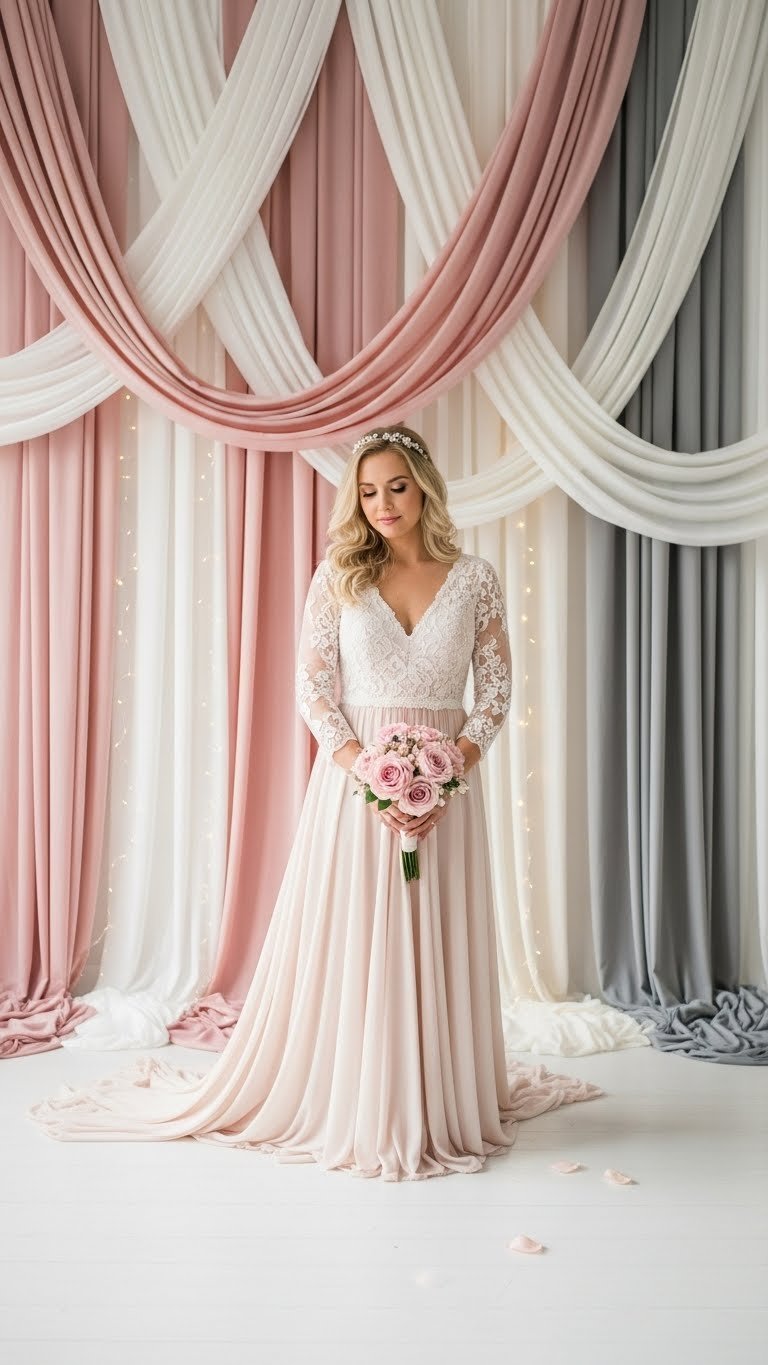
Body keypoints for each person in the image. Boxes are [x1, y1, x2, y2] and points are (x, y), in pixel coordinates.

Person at [26, 424, 602, 1179]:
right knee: (362, 933)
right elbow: (313, 689)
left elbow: (493, 693)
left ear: (424, 485)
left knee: (432, 928)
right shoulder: (338, 575)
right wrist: (370, 770)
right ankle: (357, 1096)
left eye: (396, 485)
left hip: (449, 793)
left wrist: (448, 768)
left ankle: (436, 1097)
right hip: (354, 790)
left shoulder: (476, 576)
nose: (383, 503)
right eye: (368, 490)